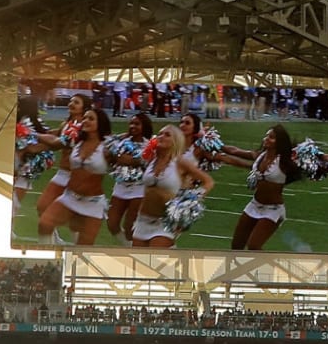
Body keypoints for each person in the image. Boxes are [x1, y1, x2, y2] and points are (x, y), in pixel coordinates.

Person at [37, 106, 112, 246]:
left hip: (93, 203)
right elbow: (54, 141)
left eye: (91, 118)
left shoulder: (108, 146)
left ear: (100, 123)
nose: (86, 121)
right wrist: (33, 134)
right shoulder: (74, 140)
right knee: (44, 224)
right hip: (69, 197)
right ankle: (48, 255)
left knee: (84, 246)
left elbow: (126, 159)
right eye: (84, 118)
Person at [218, 125, 300, 250]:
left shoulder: (284, 162)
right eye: (266, 136)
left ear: (280, 142)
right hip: (254, 204)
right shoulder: (260, 156)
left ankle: (266, 269)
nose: (266, 139)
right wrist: (215, 143)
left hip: (273, 210)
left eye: (271, 137)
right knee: (236, 245)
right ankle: (238, 269)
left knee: (254, 246)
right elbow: (234, 151)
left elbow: (302, 169)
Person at [132, 125, 214, 248]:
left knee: (153, 260)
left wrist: (192, 200)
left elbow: (208, 181)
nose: (161, 137)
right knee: (138, 264)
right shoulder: (151, 160)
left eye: (167, 135)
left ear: (175, 141)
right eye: (160, 133)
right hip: (143, 220)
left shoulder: (180, 162)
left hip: (164, 223)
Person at [34, 93, 88, 222]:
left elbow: (55, 142)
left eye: (76, 102)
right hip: (62, 173)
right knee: (42, 206)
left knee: (75, 219)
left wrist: (32, 133)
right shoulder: (66, 124)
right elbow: (53, 142)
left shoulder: (85, 127)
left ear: (84, 107)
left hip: (78, 176)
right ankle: (53, 237)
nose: (71, 104)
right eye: (71, 101)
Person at [106, 113, 153, 242]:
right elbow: (110, 153)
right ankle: (128, 248)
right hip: (121, 186)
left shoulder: (149, 145)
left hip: (139, 188)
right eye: (131, 123)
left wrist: (131, 160)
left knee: (129, 227)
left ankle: (133, 252)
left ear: (144, 126)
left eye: (137, 124)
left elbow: (145, 162)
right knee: (112, 223)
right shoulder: (122, 142)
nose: (132, 126)